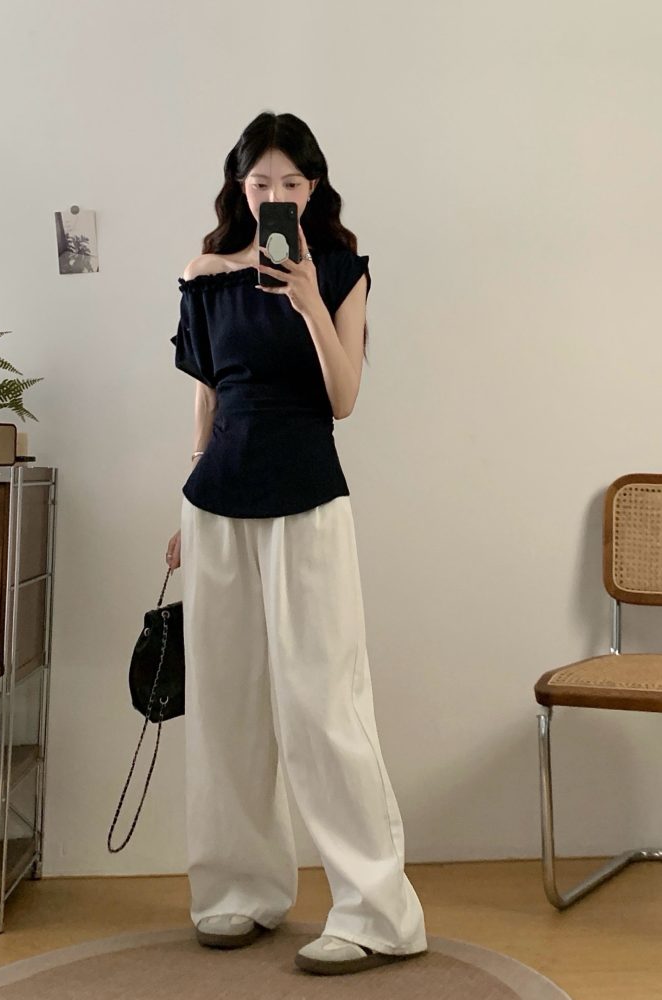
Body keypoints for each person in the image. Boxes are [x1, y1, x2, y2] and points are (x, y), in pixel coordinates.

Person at [165, 111, 427, 976]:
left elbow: (343, 399)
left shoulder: (342, 270)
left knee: (324, 703)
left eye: (289, 181)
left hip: (307, 495)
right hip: (217, 502)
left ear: (312, 188)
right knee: (227, 707)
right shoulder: (204, 276)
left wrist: (310, 299)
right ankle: (239, 890)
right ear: (239, 187)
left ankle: (377, 912)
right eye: (260, 182)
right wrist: (187, 497)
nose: (274, 193)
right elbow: (207, 394)